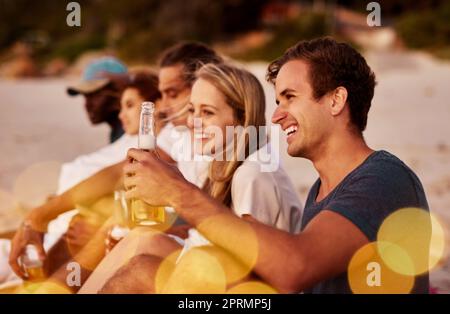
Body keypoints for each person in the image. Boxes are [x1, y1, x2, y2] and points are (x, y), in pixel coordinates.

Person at [99, 37, 430, 294]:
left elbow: (297, 266)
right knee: (153, 258)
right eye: (277, 101)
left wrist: (176, 191)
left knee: (148, 273)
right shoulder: (322, 190)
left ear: (335, 100)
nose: (276, 115)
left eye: (290, 97)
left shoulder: (383, 178)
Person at [7, 42, 224, 291]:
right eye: (161, 94)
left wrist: (42, 215)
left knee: (111, 223)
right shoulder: (179, 133)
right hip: (174, 240)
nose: (162, 105)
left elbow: (122, 173)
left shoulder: (214, 144)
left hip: (192, 255)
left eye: (172, 94)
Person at [79, 63, 302, 294]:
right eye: (192, 110)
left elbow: (250, 269)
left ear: (242, 118)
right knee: (142, 239)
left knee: (138, 269)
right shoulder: (222, 165)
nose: (192, 122)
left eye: (207, 112)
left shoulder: (253, 174)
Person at [6, 70, 161, 286]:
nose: (87, 103)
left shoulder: (152, 144)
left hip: (59, 243)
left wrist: (40, 217)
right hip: (51, 237)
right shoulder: (126, 136)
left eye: (95, 95)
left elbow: (119, 178)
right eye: (85, 97)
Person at [67, 57, 128, 143]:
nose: (87, 105)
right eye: (85, 97)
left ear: (120, 91)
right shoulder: (118, 132)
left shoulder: (129, 135)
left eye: (94, 96)